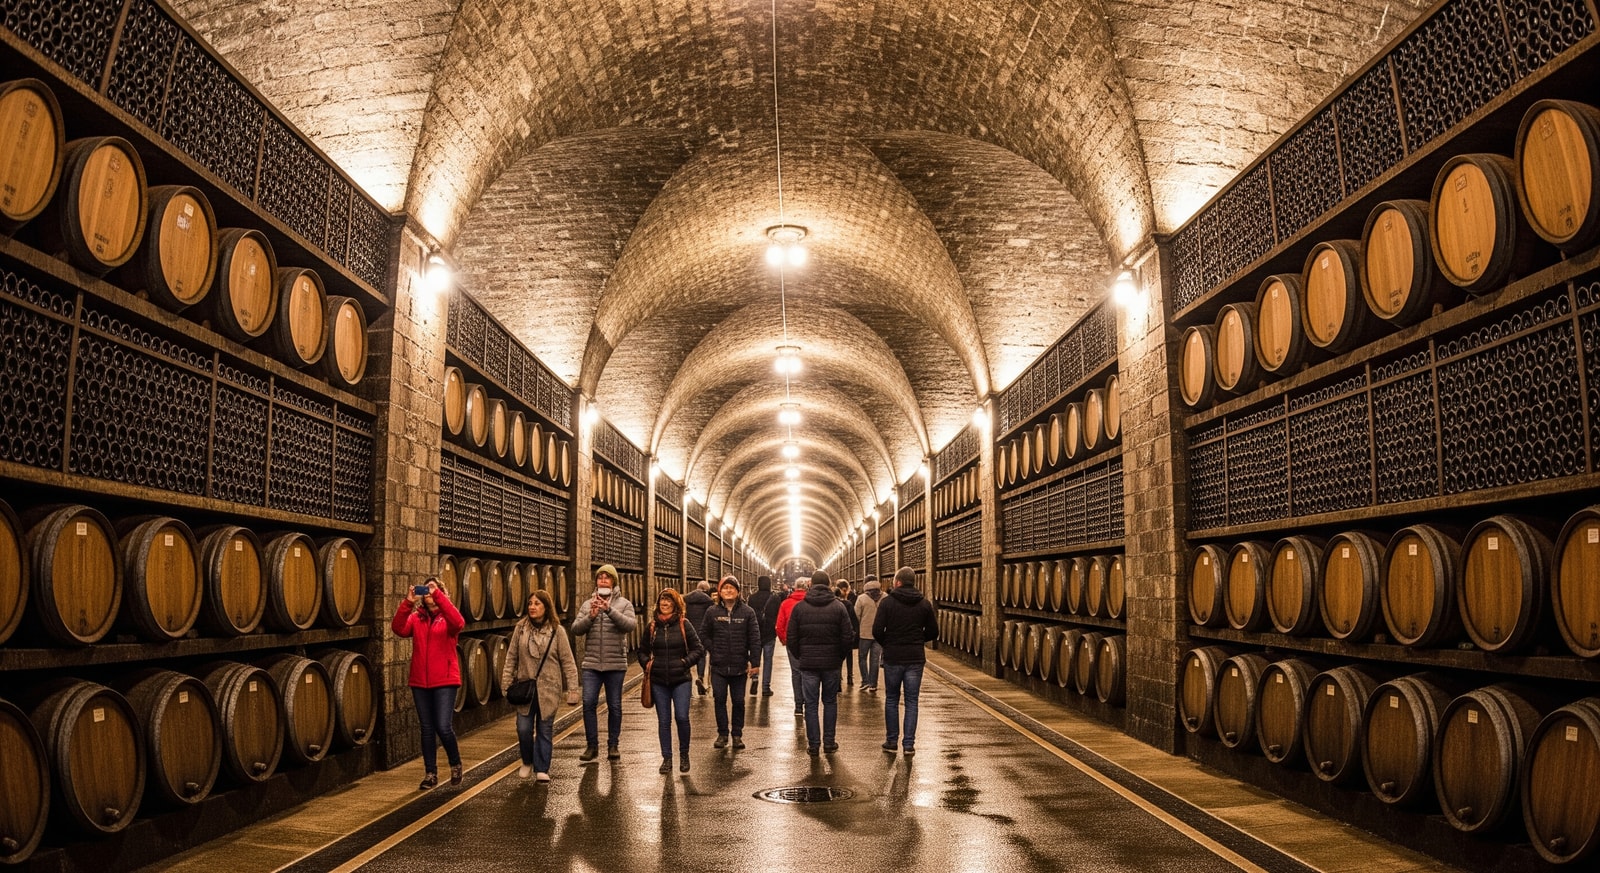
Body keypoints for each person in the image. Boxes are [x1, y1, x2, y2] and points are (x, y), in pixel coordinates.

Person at [391, 577, 465, 789]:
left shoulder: (448, 620)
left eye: (434, 590)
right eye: (427, 590)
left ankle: (455, 763)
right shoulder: (417, 618)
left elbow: (459, 622)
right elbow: (398, 629)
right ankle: (430, 773)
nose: (430, 594)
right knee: (426, 728)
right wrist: (407, 602)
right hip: (420, 682)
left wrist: (439, 596)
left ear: (441, 593)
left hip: (445, 680)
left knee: (443, 726)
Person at [501, 588, 580, 781]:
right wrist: (506, 683)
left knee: (545, 730)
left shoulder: (557, 631)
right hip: (525, 688)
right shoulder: (520, 628)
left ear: (546, 606)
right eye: (530, 603)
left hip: (549, 689)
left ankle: (542, 768)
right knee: (524, 729)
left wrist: (573, 689)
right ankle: (527, 761)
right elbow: (511, 657)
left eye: (537, 603)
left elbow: (568, 661)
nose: (532, 607)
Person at [570, 564, 637, 762]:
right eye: (600, 578)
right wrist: (590, 617)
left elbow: (630, 625)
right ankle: (592, 746)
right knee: (588, 703)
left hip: (615, 663)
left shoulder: (624, 604)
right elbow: (575, 629)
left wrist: (609, 611)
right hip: (591, 663)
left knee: (614, 705)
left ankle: (613, 745)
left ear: (614, 582)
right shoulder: (587, 604)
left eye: (607, 578)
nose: (603, 581)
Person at [786, 569, 855, 754]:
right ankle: (830, 742)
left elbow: (791, 637)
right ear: (829, 585)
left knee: (810, 703)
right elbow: (847, 637)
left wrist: (801, 656)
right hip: (832, 664)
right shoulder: (839, 607)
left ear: (810, 585)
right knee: (830, 701)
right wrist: (838, 657)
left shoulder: (800, 608)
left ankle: (814, 745)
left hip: (808, 665)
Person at [874, 566, 938, 756]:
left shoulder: (887, 603)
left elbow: (877, 630)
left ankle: (891, 741)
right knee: (911, 701)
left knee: (892, 699)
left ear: (898, 582)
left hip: (893, 657)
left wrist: (889, 642)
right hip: (915, 658)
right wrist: (918, 640)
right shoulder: (924, 604)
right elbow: (934, 632)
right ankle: (908, 744)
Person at [640, 588, 705, 773]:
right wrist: (648, 665)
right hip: (659, 681)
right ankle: (667, 758)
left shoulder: (685, 624)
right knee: (664, 720)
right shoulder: (652, 627)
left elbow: (698, 649)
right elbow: (642, 651)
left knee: (682, 717)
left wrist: (684, 662)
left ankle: (684, 754)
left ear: (676, 604)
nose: (665, 603)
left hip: (681, 679)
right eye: (662, 600)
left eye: (669, 600)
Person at [698, 575, 761, 748]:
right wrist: (714, 648)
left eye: (731, 588)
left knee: (739, 701)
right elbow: (703, 634)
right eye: (725, 588)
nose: (728, 590)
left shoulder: (748, 612)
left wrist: (754, 663)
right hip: (718, 665)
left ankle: (737, 734)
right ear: (719, 591)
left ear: (738, 591)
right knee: (719, 699)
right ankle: (722, 734)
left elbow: (755, 638)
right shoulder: (712, 612)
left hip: (739, 665)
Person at [773, 579, 808, 715]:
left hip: (791, 642)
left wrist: (784, 639)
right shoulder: (810, 603)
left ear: (794, 587)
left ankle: (798, 705)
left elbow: (779, 625)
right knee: (808, 672)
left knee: (796, 673)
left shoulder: (786, 603)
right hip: (807, 642)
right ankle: (809, 702)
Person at [746, 575, 781, 696]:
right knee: (768, 660)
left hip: (755, 632)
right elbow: (778, 614)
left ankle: (755, 678)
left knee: (755, 656)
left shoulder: (752, 598)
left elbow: (748, 614)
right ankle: (766, 687)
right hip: (769, 633)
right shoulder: (775, 598)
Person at [684, 580, 715, 695]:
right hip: (702, 632)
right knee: (701, 655)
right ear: (706, 590)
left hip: (688, 631)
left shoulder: (686, 599)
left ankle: (688, 683)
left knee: (689, 655)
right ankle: (700, 677)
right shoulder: (708, 601)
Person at [855, 576, 885, 693]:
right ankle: (873, 684)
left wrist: (863, 623)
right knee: (875, 659)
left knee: (862, 658)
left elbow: (856, 615)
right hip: (879, 634)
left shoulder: (861, 598)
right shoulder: (885, 597)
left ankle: (865, 681)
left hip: (864, 634)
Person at [836, 581, 857, 687]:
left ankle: (838, 677)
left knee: (839, 657)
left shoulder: (835, 605)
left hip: (837, 634)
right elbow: (853, 619)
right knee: (849, 656)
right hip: (847, 633)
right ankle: (850, 677)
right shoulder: (848, 604)